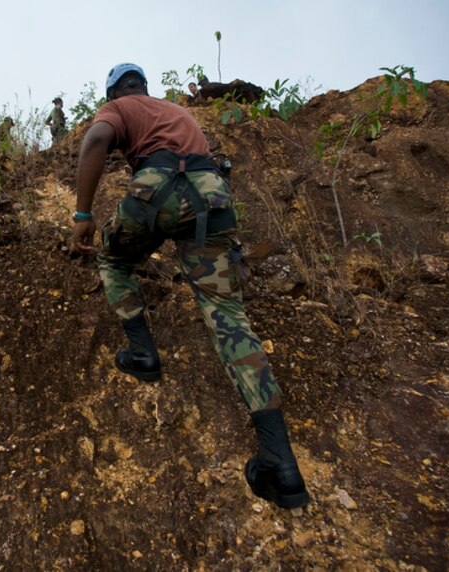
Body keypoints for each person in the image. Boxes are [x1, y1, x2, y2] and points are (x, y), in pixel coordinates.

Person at [70, 62, 310, 509]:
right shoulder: (177, 111)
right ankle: (280, 460)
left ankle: (142, 353)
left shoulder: (118, 108)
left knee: (113, 261)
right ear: (145, 86)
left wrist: (83, 216)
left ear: (114, 92)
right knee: (226, 314)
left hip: (156, 190)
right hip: (211, 198)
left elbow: (96, 141)